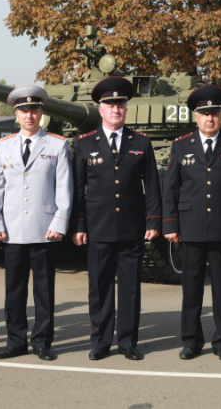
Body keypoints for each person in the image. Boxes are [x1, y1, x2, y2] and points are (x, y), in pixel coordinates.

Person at [69, 76, 162, 361]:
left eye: (120, 104)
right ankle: (100, 341)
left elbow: (153, 186)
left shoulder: (141, 143)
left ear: (126, 108)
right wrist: (79, 224)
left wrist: (154, 220)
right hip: (98, 227)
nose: (116, 109)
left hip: (132, 227)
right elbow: (77, 189)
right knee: (99, 288)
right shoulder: (84, 144)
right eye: (109, 105)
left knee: (131, 289)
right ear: (100, 109)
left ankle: (128, 341)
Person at [163, 85, 221, 361]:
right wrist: (170, 225)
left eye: (214, 113)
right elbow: (171, 190)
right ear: (196, 117)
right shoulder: (180, 146)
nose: (210, 118)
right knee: (191, 288)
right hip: (189, 229)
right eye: (204, 113)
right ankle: (191, 341)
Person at [0, 86, 72, 361]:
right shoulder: (3, 146)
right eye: (24, 110)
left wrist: (60, 222)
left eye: (34, 110)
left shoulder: (57, 145)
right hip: (11, 230)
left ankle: (42, 341)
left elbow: (64, 188)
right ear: (16, 113)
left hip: (44, 228)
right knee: (14, 291)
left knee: (44, 291)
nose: (29, 115)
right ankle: (15, 341)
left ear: (41, 113)